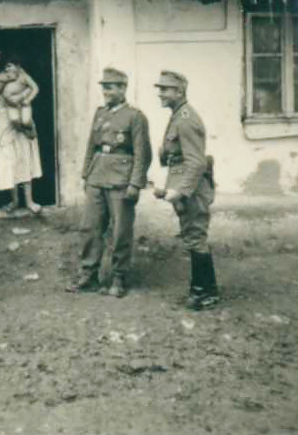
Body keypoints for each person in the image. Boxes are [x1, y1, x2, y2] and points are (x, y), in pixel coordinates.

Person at [67, 68, 151, 297]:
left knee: (120, 230)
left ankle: (118, 277)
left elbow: (143, 153)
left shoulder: (135, 117)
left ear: (123, 88)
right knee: (90, 227)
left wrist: (135, 183)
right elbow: (91, 146)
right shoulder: (100, 113)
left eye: (110, 86)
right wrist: (86, 174)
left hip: (121, 180)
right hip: (97, 175)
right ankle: (89, 274)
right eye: (103, 86)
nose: (105, 91)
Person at [154, 70, 219, 310]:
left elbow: (197, 162)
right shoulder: (177, 115)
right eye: (159, 88)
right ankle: (203, 289)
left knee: (195, 237)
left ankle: (204, 292)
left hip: (192, 189)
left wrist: (180, 191)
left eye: (164, 89)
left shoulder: (186, 118)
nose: (159, 93)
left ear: (179, 92)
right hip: (183, 185)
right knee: (192, 237)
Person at [0, 50, 43, 214]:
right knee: (7, 160)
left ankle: (29, 201)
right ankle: (15, 200)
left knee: (24, 156)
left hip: (16, 114)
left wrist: (23, 94)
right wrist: (4, 79)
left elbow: (30, 86)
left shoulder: (10, 73)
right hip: (0, 122)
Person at [1, 61, 38, 137]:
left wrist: (28, 99)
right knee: (14, 120)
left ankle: (31, 128)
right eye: (5, 67)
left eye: (9, 66)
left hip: (23, 103)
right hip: (11, 104)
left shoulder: (23, 76)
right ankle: (25, 132)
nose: (7, 69)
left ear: (17, 66)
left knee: (26, 121)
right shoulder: (5, 75)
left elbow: (35, 88)